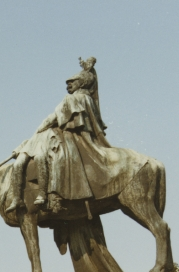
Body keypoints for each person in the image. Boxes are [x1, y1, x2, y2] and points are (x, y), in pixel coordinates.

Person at [8, 57, 109, 211]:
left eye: (72, 81)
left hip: (59, 136)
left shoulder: (73, 98)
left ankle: (48, 195)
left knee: (48, 157)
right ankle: (22, 198)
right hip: (52, 135)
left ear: (82, 83)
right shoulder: (88, 99)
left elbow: (54, 118)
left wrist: (38, 129)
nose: (68, 84)